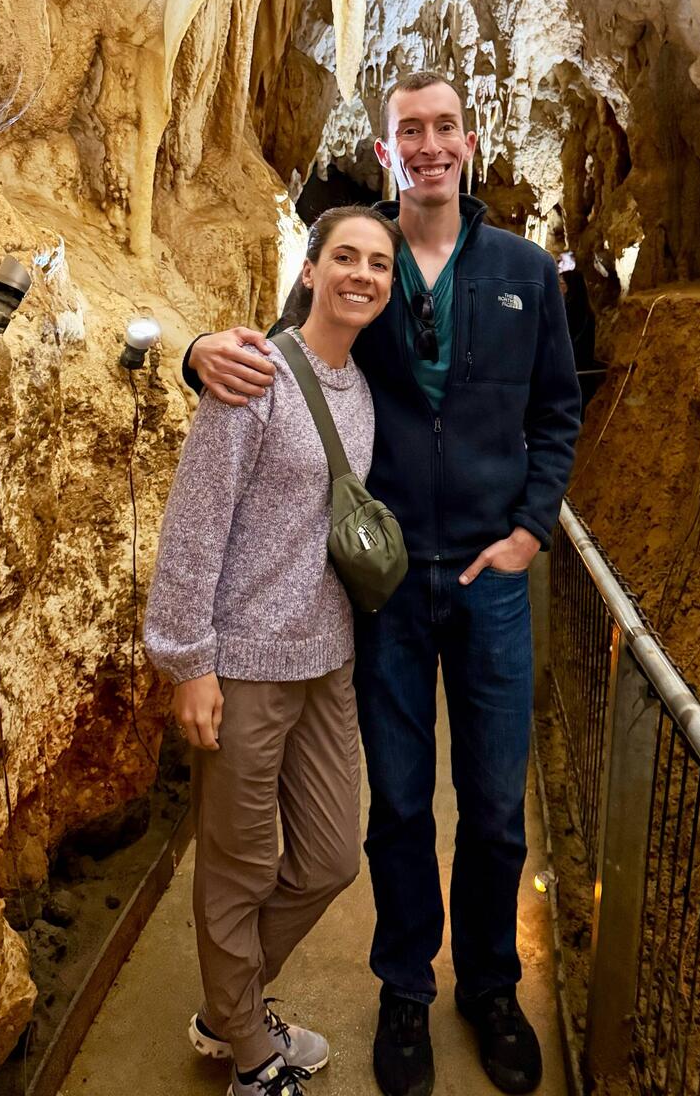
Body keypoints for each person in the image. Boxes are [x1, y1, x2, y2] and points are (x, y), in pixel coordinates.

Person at [183, 72, 583, 1096]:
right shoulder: (363, 262)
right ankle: (405, 985)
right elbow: (271, 358)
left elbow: (557, 411)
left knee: (494, 805)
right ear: (388, 147)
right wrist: (193, 357)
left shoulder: (526, 273)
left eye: (446, 126)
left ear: (470, 140)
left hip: (493, 577)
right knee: (400, 802)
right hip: (389, 585)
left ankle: (489, 986)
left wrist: (532, 530)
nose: (432, 144)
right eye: (413, 130)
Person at [145, 206, 402, 1096]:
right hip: (246, 662)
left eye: (377, 262)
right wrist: (189, 660)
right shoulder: (255, 373)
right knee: (241, 865)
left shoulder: (360, 391)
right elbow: (196, 519)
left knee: (330, 856)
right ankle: (251, 1057)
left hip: (327, 658)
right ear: (311, 269)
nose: (361, 275)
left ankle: (231, 1009)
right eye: (345, 257)